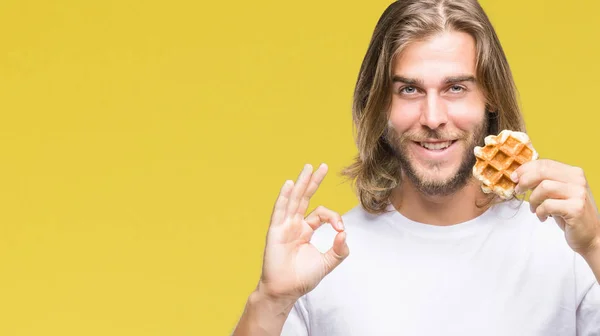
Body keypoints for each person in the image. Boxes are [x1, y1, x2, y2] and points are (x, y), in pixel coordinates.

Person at [232, 0, 600, 335]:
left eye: (456, 88)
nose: (434, 117)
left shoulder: (569, 248)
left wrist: (597, 246)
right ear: (377, 105)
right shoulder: (320, 260)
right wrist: (270, 300)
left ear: (491, 98)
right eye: (409, 90)